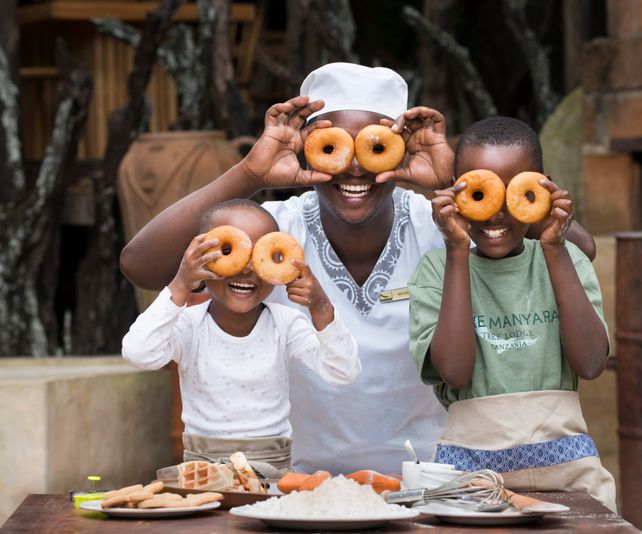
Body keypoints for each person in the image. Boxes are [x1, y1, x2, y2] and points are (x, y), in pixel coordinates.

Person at [119, 62, 596, 475]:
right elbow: (141, 264)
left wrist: (460, 179)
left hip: (432, 477)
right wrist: (252, 173)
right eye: (333, 147)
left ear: (402, 147)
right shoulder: (273, 234)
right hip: (298, 480)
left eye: (372, 146)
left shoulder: (443, 226)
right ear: (308, 147)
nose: (353, 167)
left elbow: (580, 249)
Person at [408, 116, 617, 511]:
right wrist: (456, 248)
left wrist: (554, 246)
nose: (495, 213)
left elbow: (590, 363)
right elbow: (455, 371)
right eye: (480, 193)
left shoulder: (565, 258)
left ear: (543, 189)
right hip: (472, 483)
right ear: (453, 194)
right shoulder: (437, 270)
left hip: (571, 478)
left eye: (512, 194)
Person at [121, 199, 361, 477]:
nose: (247, 269)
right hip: (203, 473)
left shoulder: (285, 324)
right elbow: (138, 353)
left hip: (272, 472)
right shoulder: (189, 325)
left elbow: (344, 373)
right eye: (229, 251)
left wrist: (321, 307)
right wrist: (180, 284)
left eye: (261, 256)